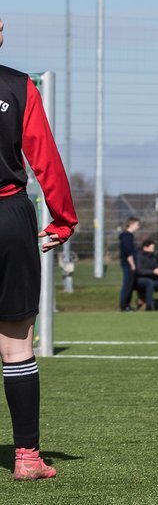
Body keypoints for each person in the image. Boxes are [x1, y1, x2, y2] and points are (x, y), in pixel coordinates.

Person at [0, 25, 77, 480]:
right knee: (16, 345)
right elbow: (44, 157)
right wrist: (63, 219)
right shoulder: (18, 85)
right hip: (9, 216)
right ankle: (26, 456)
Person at [134, 239, 158, 311]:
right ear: (145, 248)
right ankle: (149, 305)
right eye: (152, 248)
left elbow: (156, 266)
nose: (153, 250)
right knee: (149, 282)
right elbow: (139, 271)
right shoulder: (139, 256)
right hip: (139, 280)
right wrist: (153, 272)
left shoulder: (153, 256)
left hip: (151, 278)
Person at [117, 216, 140, 312]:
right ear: (131, 224)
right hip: (128, 264)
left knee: (130, 285)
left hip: (129, 264)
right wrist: (132, 265)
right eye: (137, 225)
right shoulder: (127, 236)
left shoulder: (129, 236)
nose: (138, 227)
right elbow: (128, 251)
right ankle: (124, 305)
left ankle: (127, 305)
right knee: (127, 285)